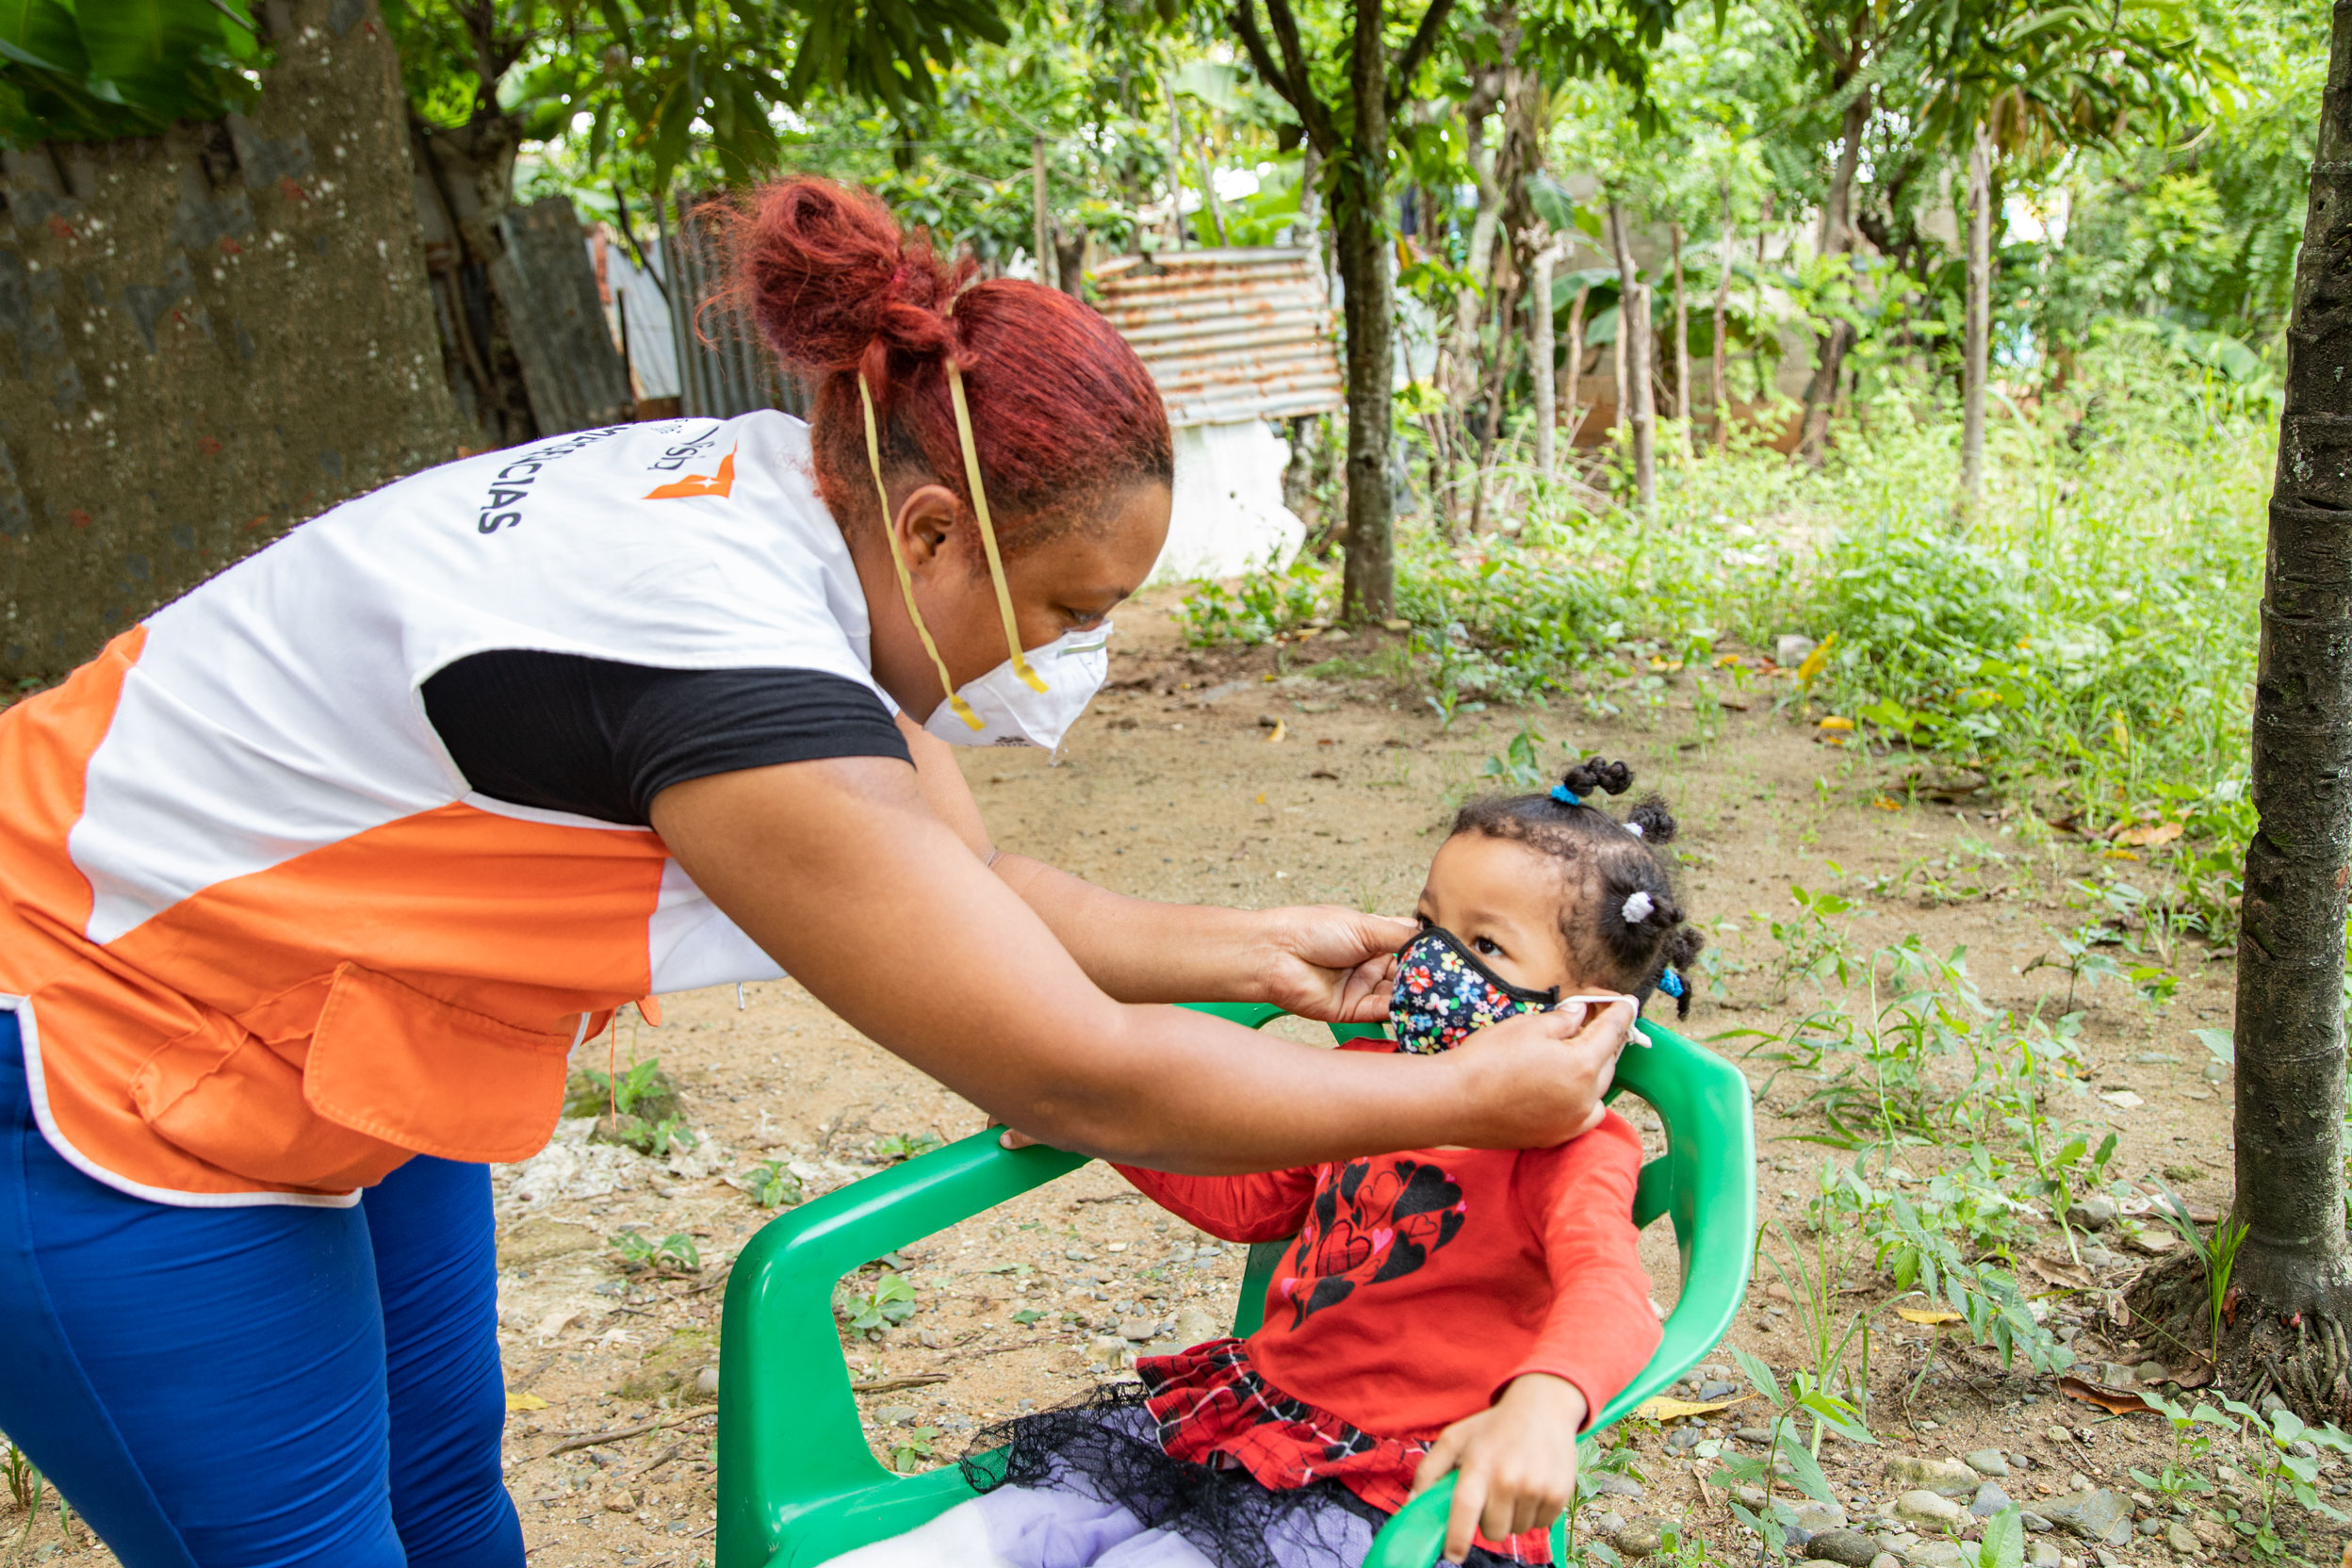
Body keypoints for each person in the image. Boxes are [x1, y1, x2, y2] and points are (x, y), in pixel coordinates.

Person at [0, 178, 1634, 1568]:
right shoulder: (729, 676)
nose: (1077, 655)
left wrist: (1253, 947)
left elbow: (969, 877)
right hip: (91, 1026)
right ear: (934, 532)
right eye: (1066, 609)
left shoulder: (793, 505)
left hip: (333, 1017)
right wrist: (1463, 1094)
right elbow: (1083, 1072)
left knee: (440, 1489)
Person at [826, 760, 1706, 1568]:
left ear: (1584, 1015)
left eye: (1484, 948)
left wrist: (1545, 1406)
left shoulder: (1572, 1148)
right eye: (1430, 922)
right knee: (1011, 1523)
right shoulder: (1373, 1082)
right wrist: (1102, 1127)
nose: (1430, 959)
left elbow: (1613, 1293)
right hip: (1250, 1419)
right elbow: (1252, 1197)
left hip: (1393, 1492)